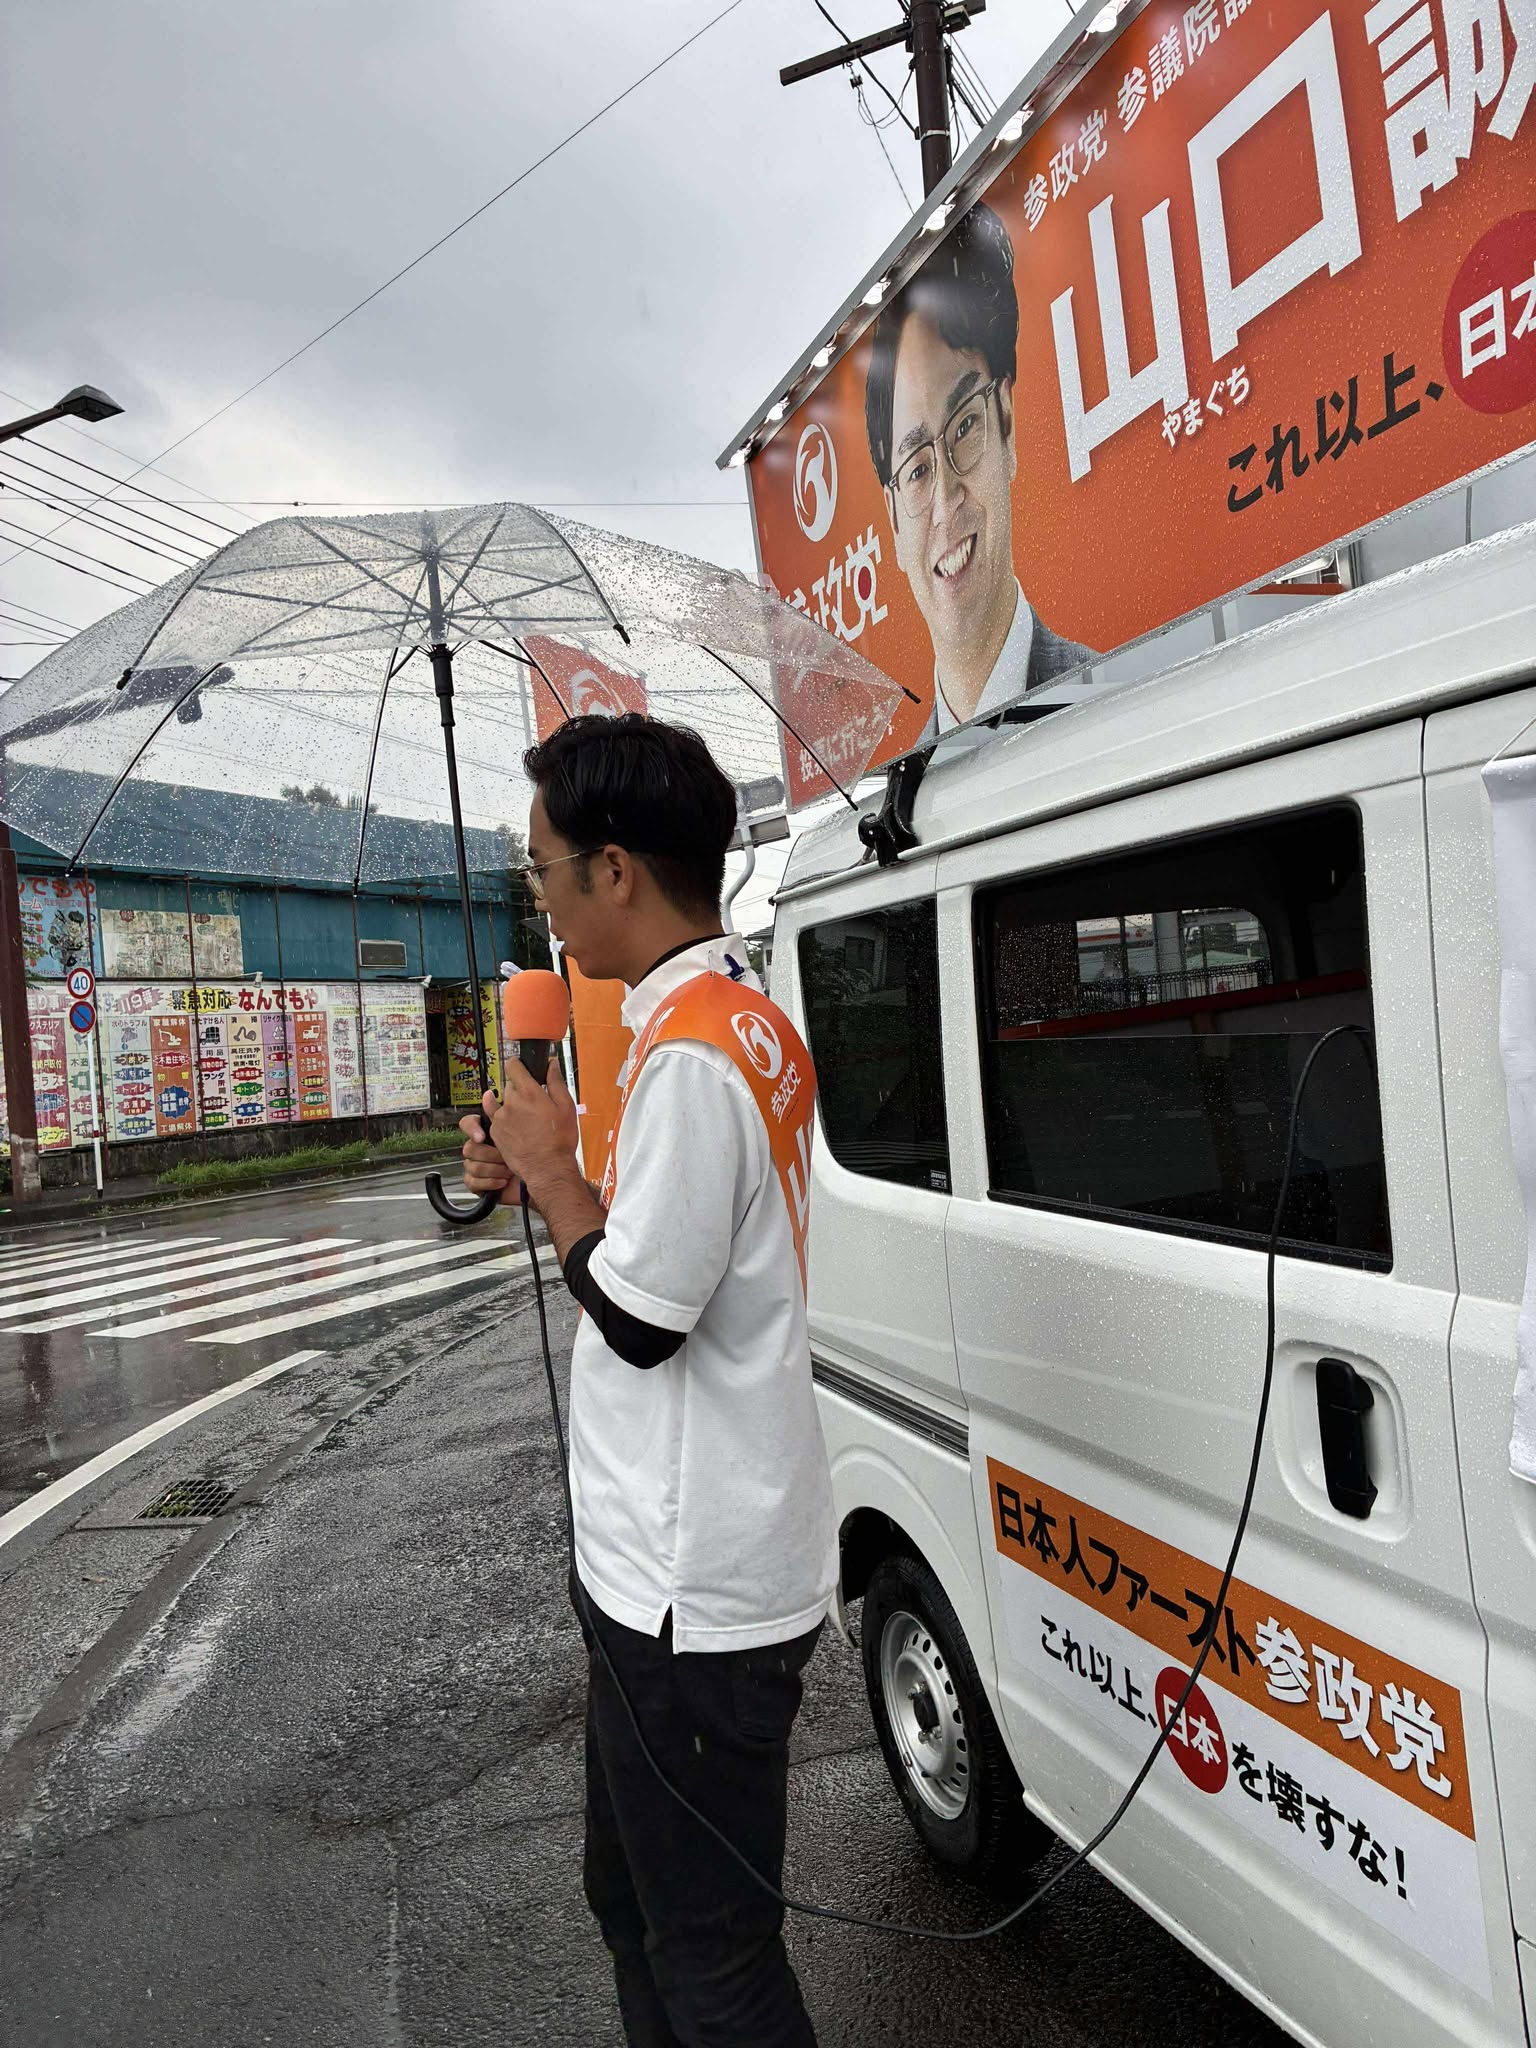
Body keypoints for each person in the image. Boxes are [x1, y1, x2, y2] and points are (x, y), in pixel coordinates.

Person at [460, 713, 836, 2048]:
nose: (543, 899)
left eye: (545, 868)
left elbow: (639, 1319)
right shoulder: (732, 1018)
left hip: (693, 1597)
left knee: (711, 1956)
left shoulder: (689, 1058)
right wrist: (546, 1177)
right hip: (662, 1575)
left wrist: (557, 1180)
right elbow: (666, 1248)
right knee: (630, 1907)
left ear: (614, 869)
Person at [864, 201, 1098, 732]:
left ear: (1006, 422)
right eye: (917, 469)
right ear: (894, 518)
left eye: (965, 426)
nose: (946, 501)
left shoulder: (1108, 696)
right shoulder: (913, 779)